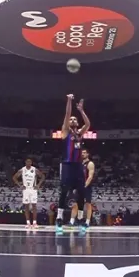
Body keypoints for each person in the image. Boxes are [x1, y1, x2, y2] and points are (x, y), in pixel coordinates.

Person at [56, 94, 90, 234]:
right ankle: (59, 219)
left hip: (78, 166)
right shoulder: (65, 131)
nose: (73, 119)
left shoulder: (79, 134)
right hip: (67, 165)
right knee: (64, 191)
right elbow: (67, 113)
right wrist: (69, 100)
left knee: (81, 193)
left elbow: (87, 124)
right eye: (72, 119)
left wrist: (81, 111)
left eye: (75, 119)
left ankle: (81, 220)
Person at [12, 157, 45, 229]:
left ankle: (34, 223)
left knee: (34, 206)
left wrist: (38, 185)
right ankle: (28, 223)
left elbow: (42, 176)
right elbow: (14, 177)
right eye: (27, 162)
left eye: (30, 162)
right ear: (25, 162)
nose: (28, 163)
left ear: (31, 163)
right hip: (26, 189)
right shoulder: (22, 170)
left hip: (33, 189)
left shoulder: (34, 169)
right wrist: (20, 185)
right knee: (26, 206)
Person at [80, 148, 96, 232]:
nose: (83, 154)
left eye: (84, 153)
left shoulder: (90, 163)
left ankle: (87, 222)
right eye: (82, 153)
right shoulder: (79, 163)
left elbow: (90, 176)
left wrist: (85, 185)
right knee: (77, 204)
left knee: (88, 204)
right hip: (79, 186)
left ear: (88, 154)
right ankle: (79, 220)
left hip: (86, 187)